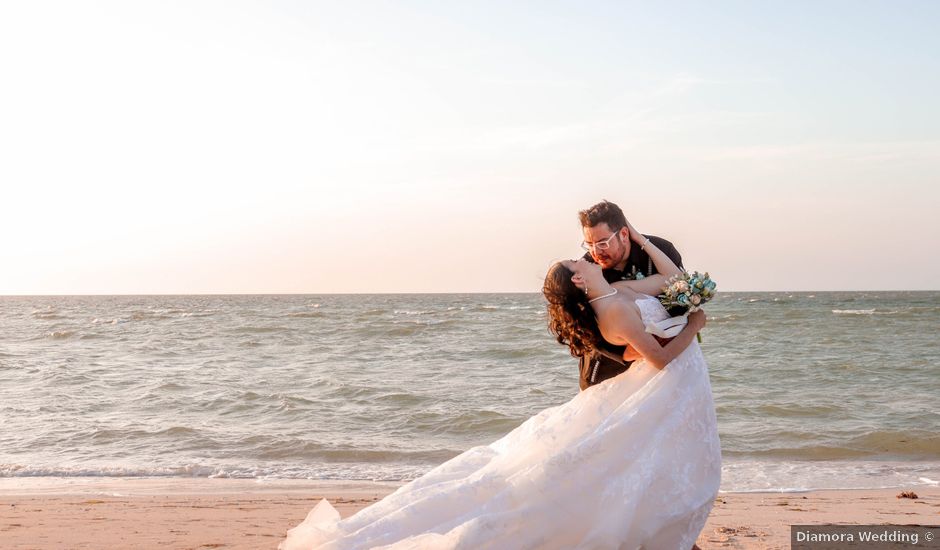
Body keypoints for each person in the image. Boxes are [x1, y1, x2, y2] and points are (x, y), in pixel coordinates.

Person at [280, 222, 720, 550]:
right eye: (579, 259)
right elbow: (655, 358)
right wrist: (692, 324)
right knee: (598, 472)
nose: (585, 255)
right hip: (636, 388)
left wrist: (659, 329)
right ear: (581, 281)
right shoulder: (614, 307)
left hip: (633, 391)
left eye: (590, 249)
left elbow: (635, 346)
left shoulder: (612, 296)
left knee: (601, 468)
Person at [576, 200, 685, 390]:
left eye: (602, 243)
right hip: (605, 372)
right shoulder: (588, 270)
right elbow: (582, 325)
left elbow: (681, 294)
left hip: (659, 372)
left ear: (624, 234)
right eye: (589, 244)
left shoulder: (661, 251)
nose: (595, 252)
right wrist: (624, 354)